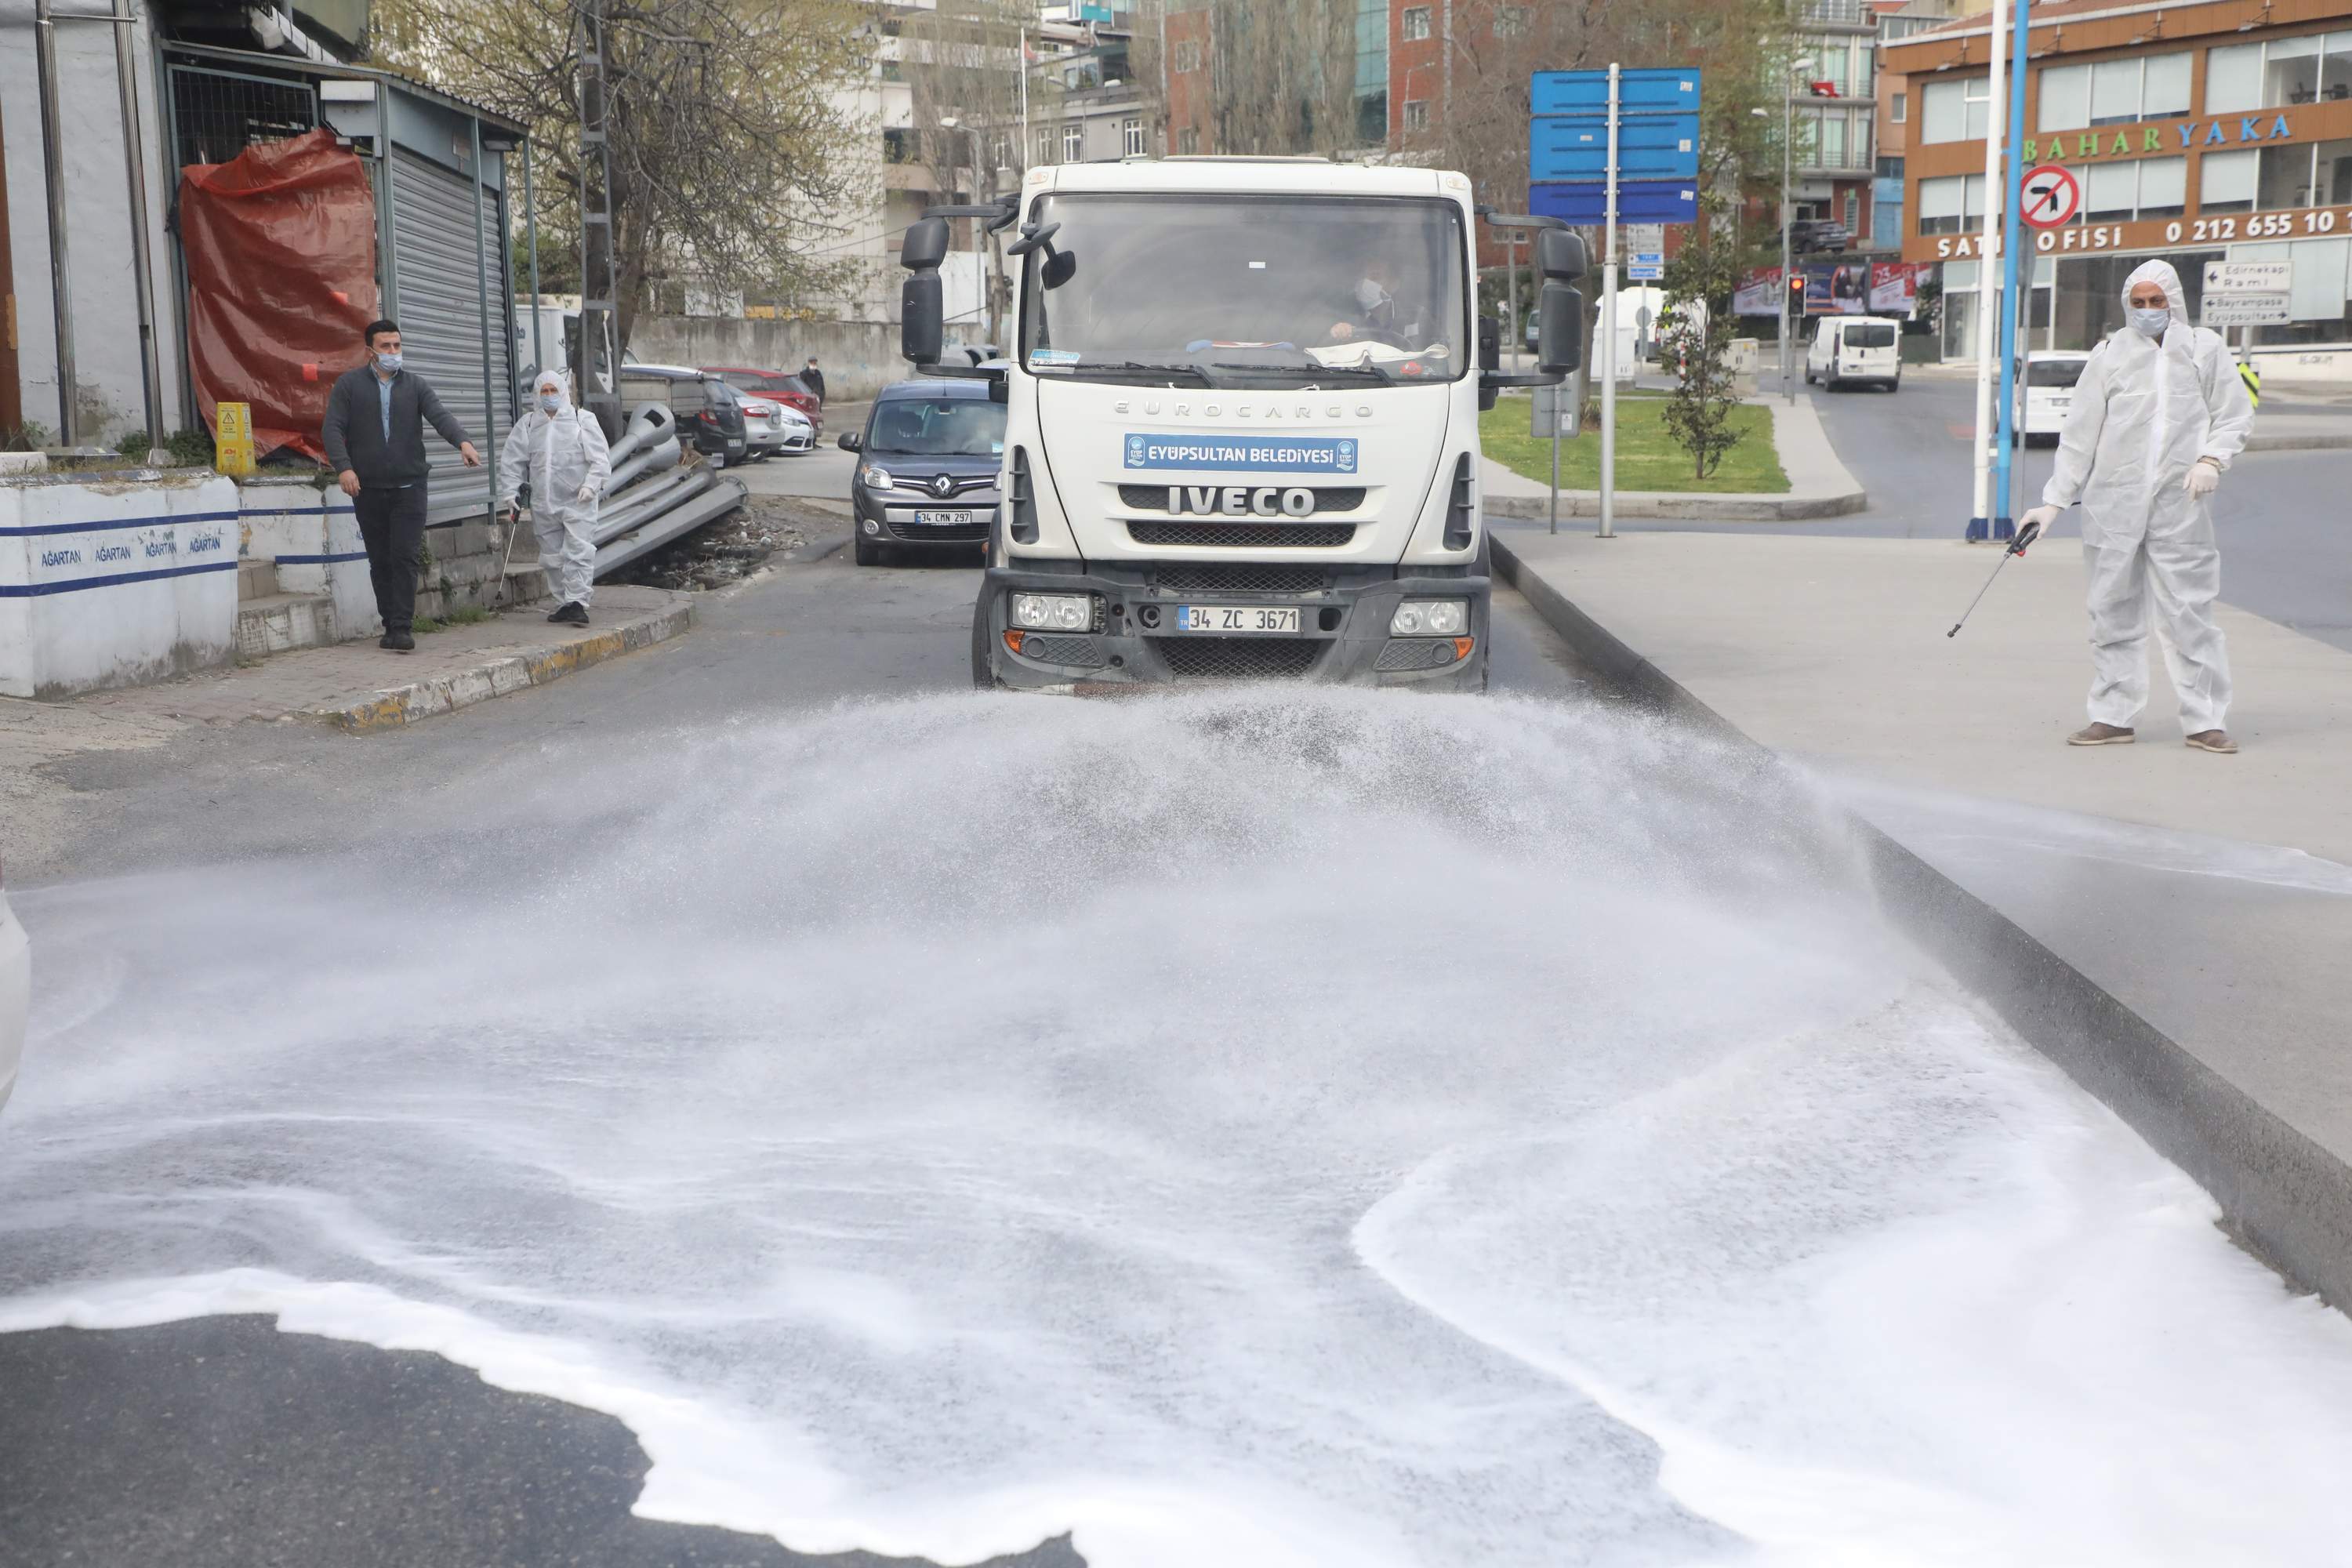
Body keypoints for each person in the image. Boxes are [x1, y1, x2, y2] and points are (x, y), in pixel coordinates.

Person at [2022, 260, 2255, 753]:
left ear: (2173, 301)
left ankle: (2205, 720)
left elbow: (2233, 414)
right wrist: (2053, 503)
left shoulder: (2203, 349)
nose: (2149, 311)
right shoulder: (2109, 355)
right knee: (2111, 609)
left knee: (2189, 613)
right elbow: (2080, 435)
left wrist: (2213, 458)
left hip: (2181, 502)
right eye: (2140, 303)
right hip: (2113, 503)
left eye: (2157, 301)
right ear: (2128, 305)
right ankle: (2112, 715)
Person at [321, 320, 480, 652]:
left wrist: (463, 442)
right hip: (368, 488)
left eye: (397, 345)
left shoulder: (415, 386)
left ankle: (403, 626)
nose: (393, 352)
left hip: (410, 486)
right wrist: (345, 468)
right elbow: (333, 429)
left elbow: (440, 416)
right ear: (370, 351)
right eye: (385, 346)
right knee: (380, 559)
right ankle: (389, 623)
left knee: (405, 555)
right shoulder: (349, 386)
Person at [497, 370, 612, 626]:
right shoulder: (528, 424)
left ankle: (578, 602)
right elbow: (512, 461)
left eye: (553, 391)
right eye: (544, 391)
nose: (549, 396)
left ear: (563, 392)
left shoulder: (582, 420)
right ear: (537, 395)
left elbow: (600, 460)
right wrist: (510, 492)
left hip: (577, 500)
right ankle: (563, 603)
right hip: (543, 503)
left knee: (578, 552)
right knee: (552, 557)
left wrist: (591, 486)